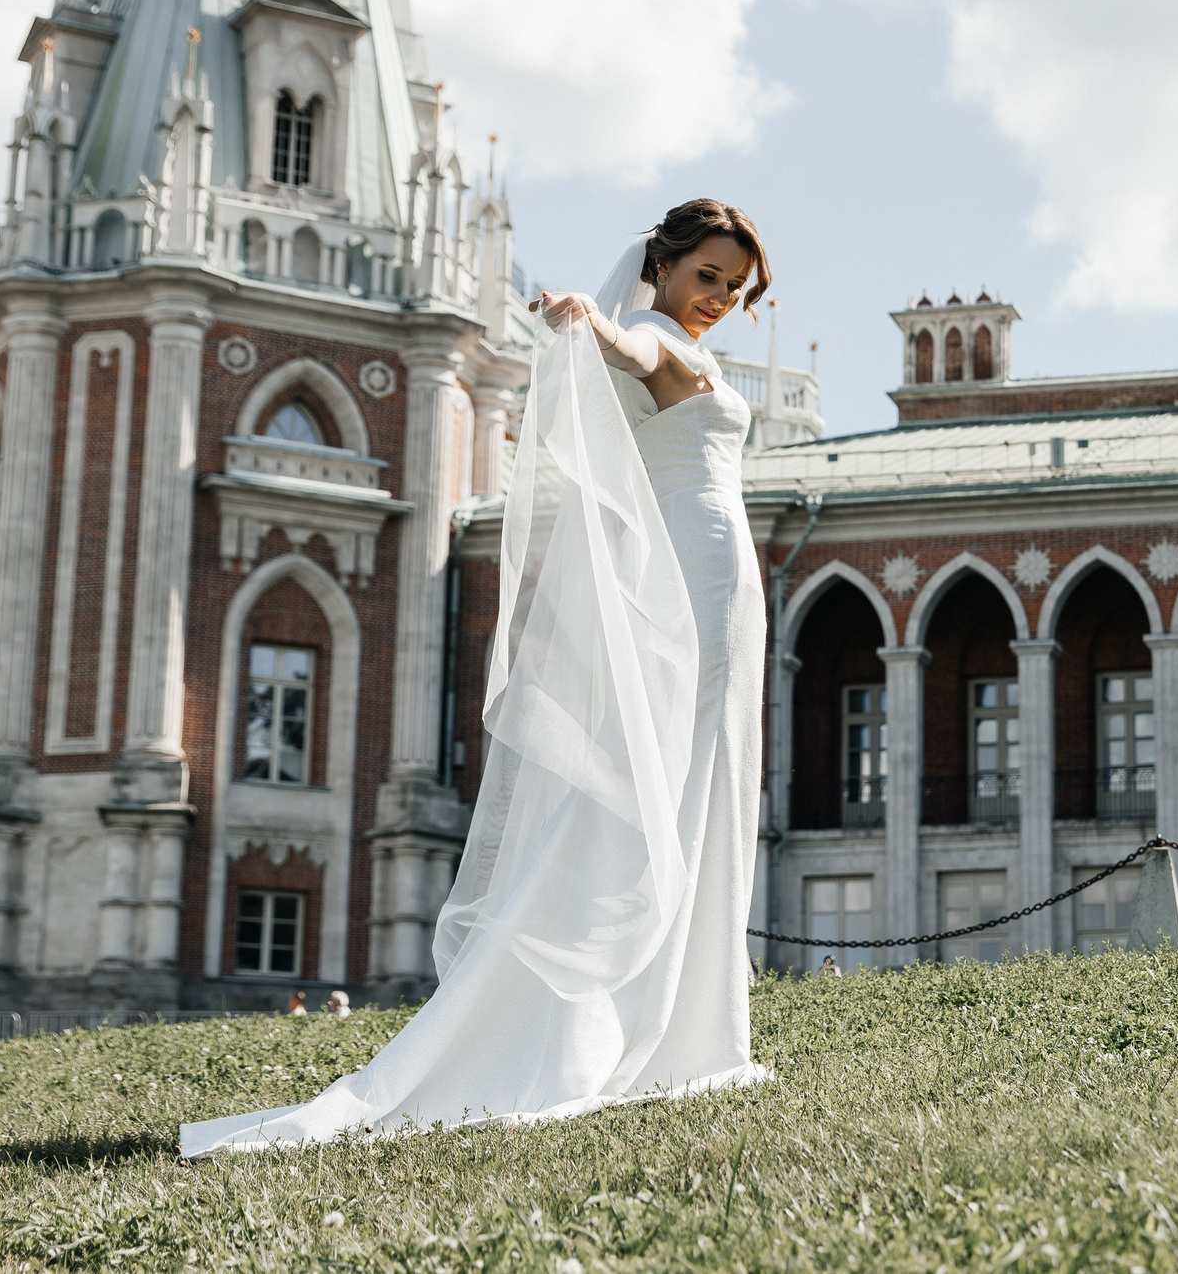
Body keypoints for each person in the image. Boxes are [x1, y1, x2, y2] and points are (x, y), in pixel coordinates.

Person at [182, 200, 775, 1156]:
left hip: (719, 580)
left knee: (702, 778)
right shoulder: (658, 341)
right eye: (707, 275)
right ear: (662, 267)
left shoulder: (676, 339)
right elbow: (632, 350)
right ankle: (617, 1014)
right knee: (667, 779)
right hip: (692, 582)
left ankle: (691, 1027)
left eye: (734, 288)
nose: (718, 300)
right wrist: (591, 318)